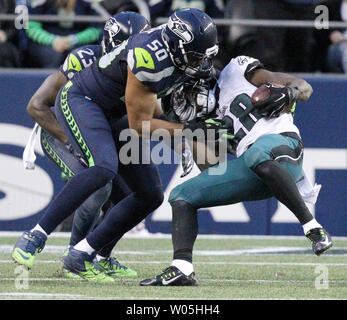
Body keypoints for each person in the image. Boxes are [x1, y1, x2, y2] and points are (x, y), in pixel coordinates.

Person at [12, 8, 219, 282]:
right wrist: (188, 132)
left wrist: (185, 133)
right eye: (195, 55)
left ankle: (85, 255)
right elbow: (140, 125)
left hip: (115, 112)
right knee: (104, 168)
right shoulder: (148, 57)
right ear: (177, 46)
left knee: (150, 194)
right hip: (84, 101)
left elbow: (153, 108)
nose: (201, 61)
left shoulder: (175, 55)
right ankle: (35, 235)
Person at [140, 54, 333, 286]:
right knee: (181, 196)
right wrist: (194, 134)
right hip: (256, 169)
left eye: (189, 94)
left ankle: (312, 227)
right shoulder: (209, 118)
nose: (191, 101)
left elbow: (304, 87)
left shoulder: (237, 70)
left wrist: (289, 92)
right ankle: (182, 268)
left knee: (256, 153)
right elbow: (214, 170)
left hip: (283, 146)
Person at [17, 12, 151, 280]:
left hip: (101, 131)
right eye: (139, 43)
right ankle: (73, 255)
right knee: (100, 184)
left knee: (134, 195)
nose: (146, 50)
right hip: (61, 133)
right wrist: (73, 142)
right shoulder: (85, 59)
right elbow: (36, 105)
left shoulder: (141, 67)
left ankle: (99, 255)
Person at [26, 0, 103, 68]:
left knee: (78, 57)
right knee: (54, 56)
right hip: (47, 42)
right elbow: (32, 28)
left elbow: (96, 29)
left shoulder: (88, 2)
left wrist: (73, 40)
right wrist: (53, 40)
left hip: (79, 41)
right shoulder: (41, 2)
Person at [0, 0, 21, 67]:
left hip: (4, 43)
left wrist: (5, 35)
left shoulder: (9, 2)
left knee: (4, 51)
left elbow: (13, 29)